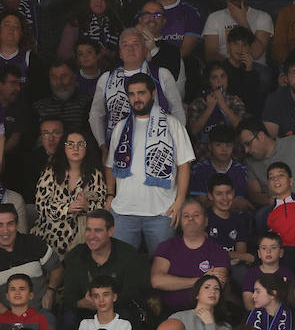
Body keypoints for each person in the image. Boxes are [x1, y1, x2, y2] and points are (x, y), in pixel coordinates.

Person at [103, 71, 194, 253]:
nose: (137, 98)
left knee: (163, 266)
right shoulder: (121, 127)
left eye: (141, 93)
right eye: (132, 94)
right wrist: (110, 195)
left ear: (153, 94)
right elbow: (110, 165)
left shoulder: (172, 124)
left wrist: (180, 201)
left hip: (162, 211)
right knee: (123, 267)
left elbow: (184, 165)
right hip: (123, 211)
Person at [34, 129, 107, 258]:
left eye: (80, 144)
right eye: (70, 144)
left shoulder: (95, 175)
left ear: (86, 148)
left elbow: (103, 209)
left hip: (85, 236)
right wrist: (67, 208)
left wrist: (87, 207)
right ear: (64, 148)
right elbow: (41, 206)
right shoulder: (50, 172)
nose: (75, 148)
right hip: (52, 234)